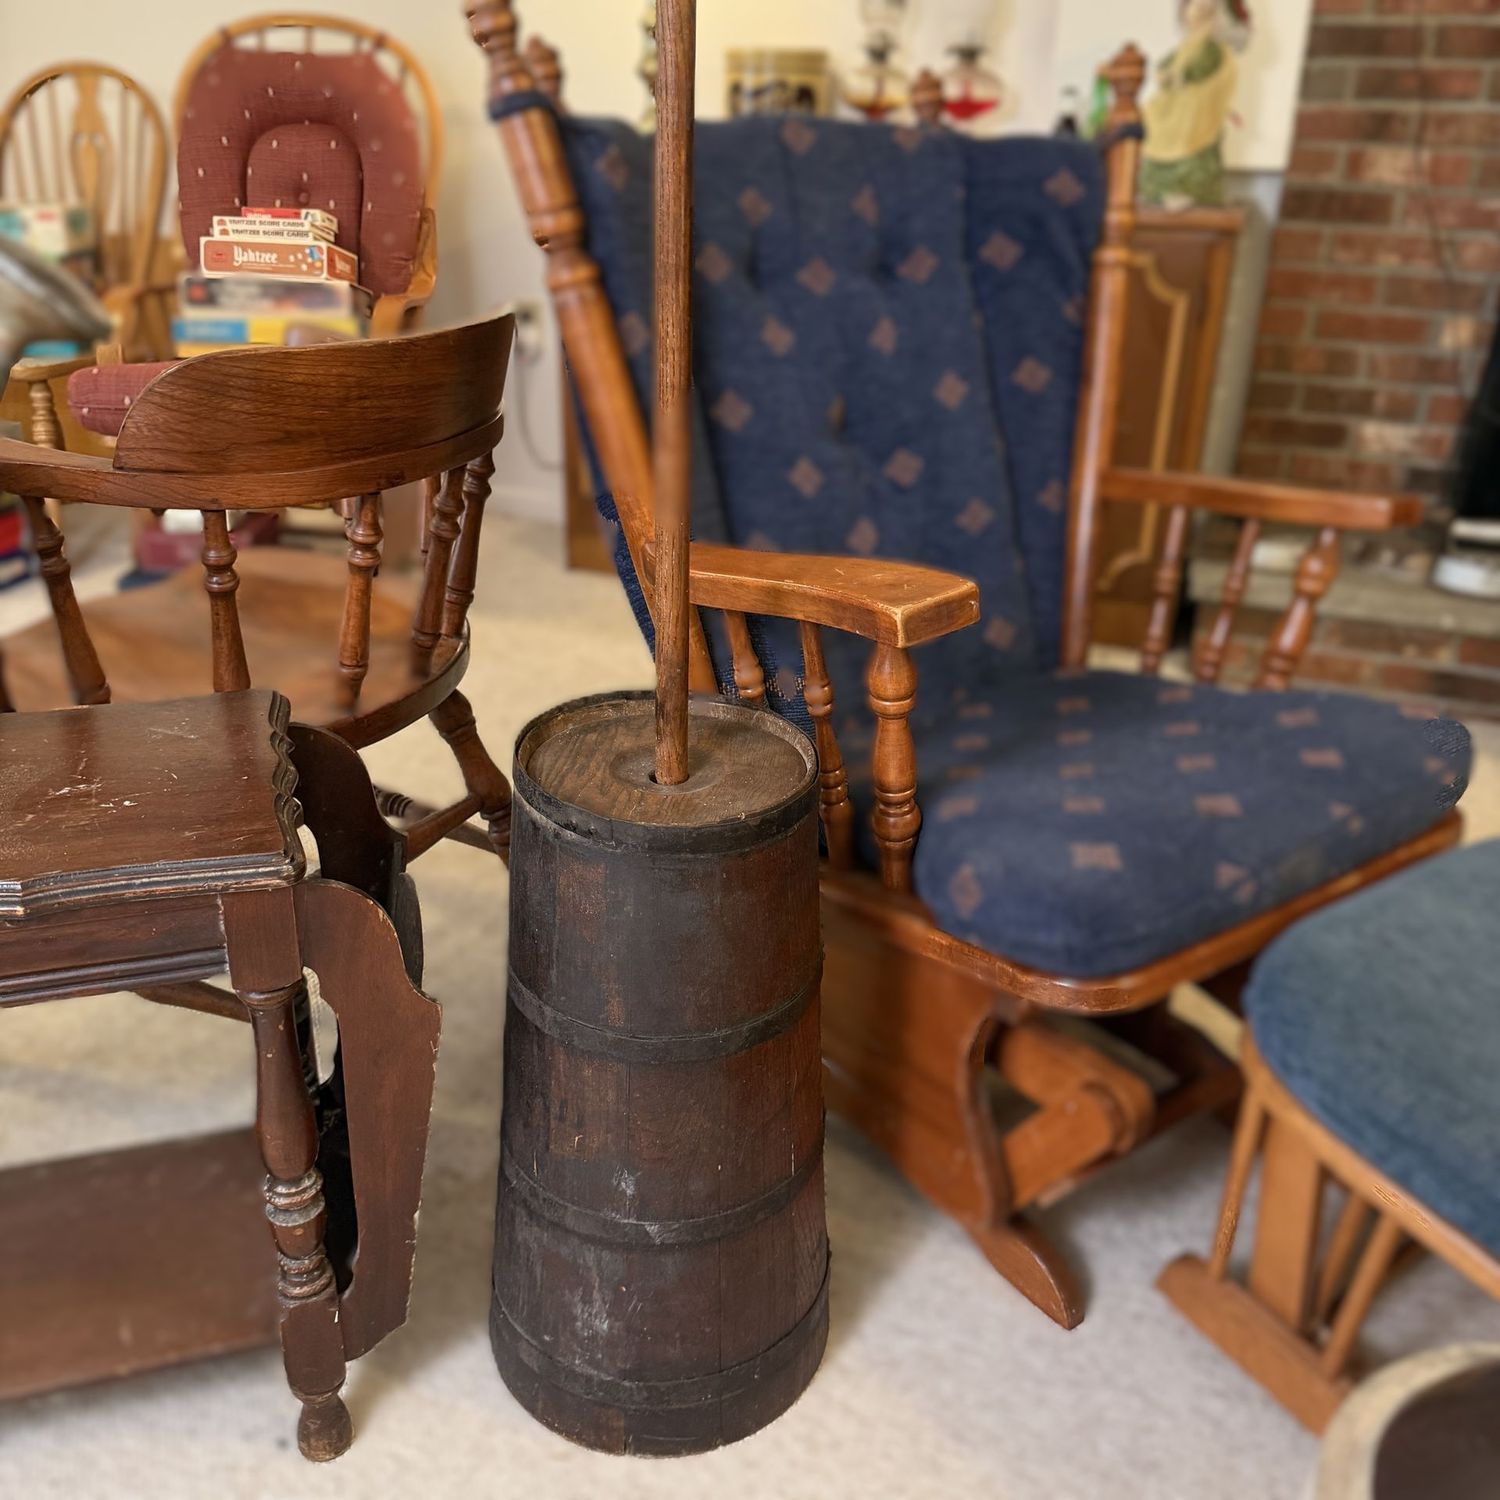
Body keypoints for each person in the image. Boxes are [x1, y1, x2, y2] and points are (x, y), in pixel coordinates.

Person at [1140, 0, 1251, 209]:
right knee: (1154, 124)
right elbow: (1167, 64)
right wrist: (1166, 74)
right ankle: (1157, 188)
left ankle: (1187, 189)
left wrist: (1180, 76)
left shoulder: (1213, 49)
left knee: (1190, 138)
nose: (1198, 11)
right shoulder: (1187, 45)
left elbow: (1201, 67)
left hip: (1196, 109)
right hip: (1175, 105)